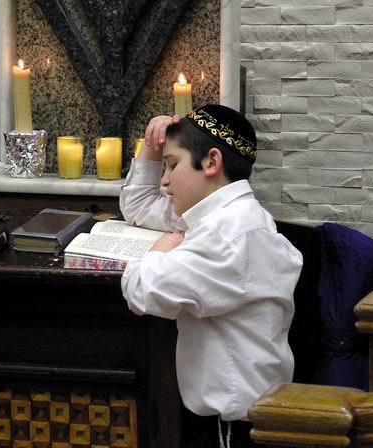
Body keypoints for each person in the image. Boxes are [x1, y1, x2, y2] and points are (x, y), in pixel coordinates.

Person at [119, 104, 303, 448]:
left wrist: (160, 249)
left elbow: (142, 290)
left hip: (236, 428)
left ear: (211, 162)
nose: (164, 179)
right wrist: (152, 145)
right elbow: (141, 206)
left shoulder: (225, 235)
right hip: (243, 418)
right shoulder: (232, 214)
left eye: (172, 165)